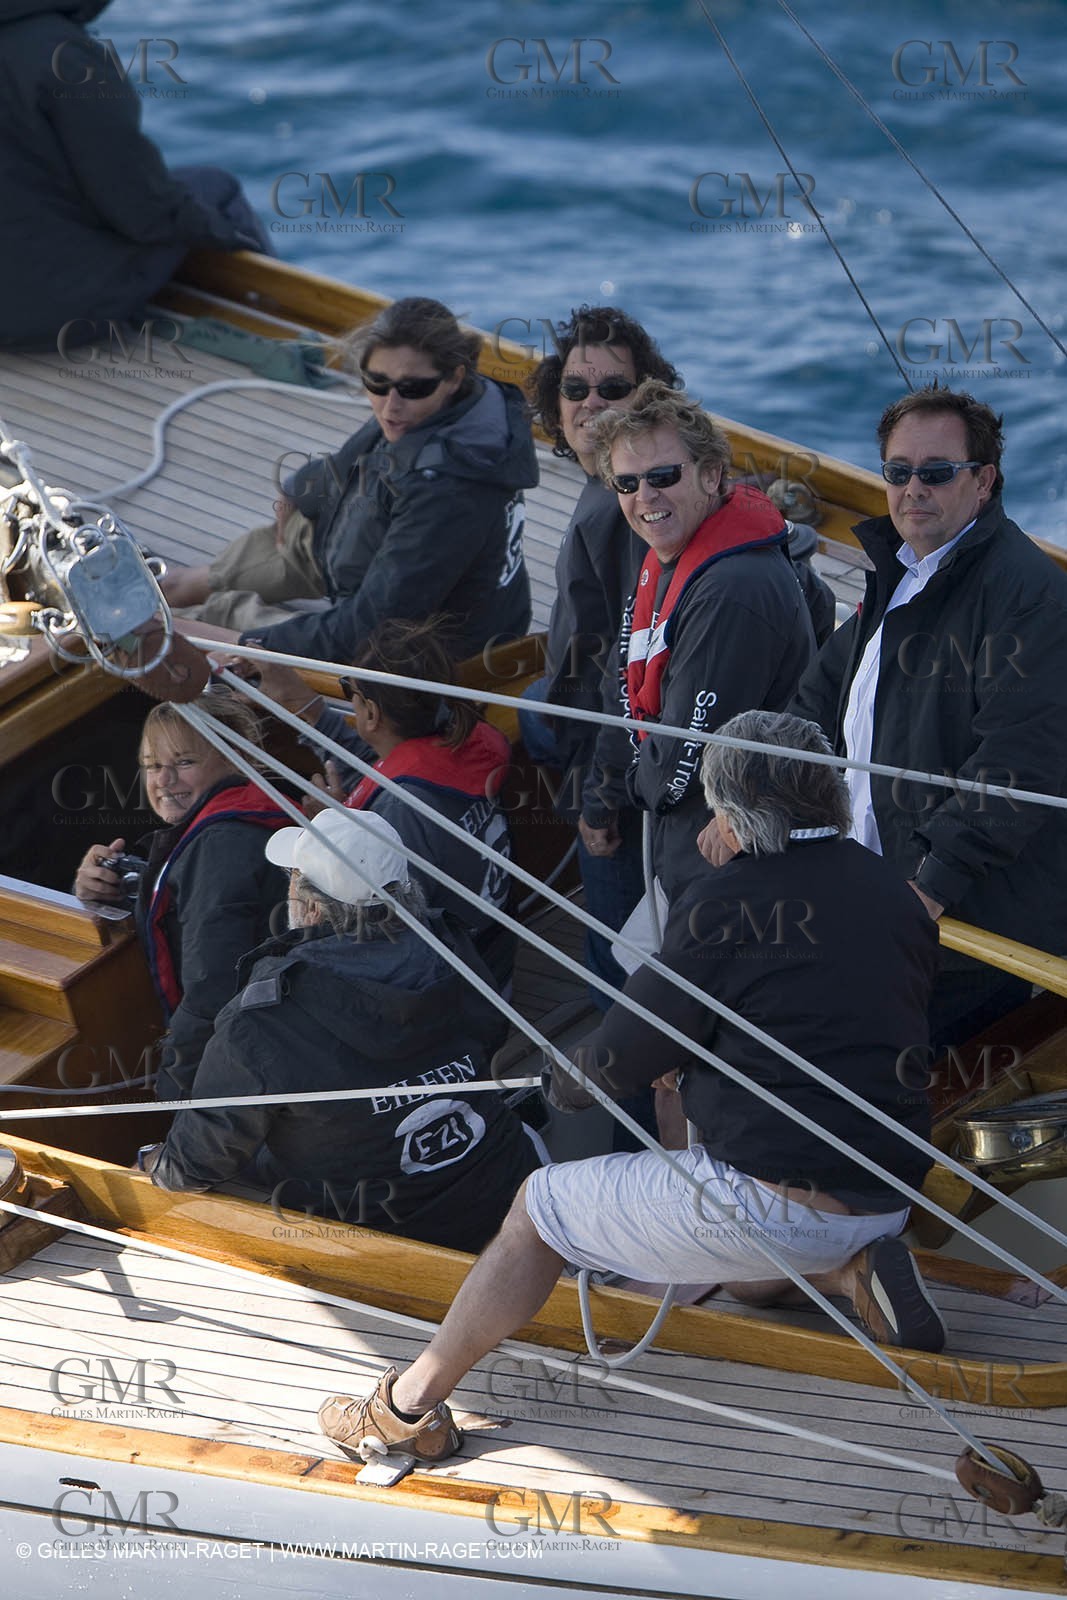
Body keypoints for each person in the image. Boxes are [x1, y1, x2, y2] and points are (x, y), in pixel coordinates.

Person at [315, 711, 943, 1464]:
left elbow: (615, 1062)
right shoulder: (893, 890)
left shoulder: (728, 902)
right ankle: (850, 1273)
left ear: (732, 814)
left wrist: (560, 1081)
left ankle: (406, 1407)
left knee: (538, 1210)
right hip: (886, 1198)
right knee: (740, 1279)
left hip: (780, 1205)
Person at [792, 385, 1067, 1048]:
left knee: (905, 1100)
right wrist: (749, 791)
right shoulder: (900, 574)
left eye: (936, 472)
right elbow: (813, 702)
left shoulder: (1029, 597)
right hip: (865, 894)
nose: (913, 487)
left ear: (983, 481)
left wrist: (925, 891)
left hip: (959, 931)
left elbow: (1016, 765)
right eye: (897, 471)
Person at [137, 811, 542, 1253]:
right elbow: (490, 1032)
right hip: (505, 1185)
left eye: (292, 879)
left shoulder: (262, 1023)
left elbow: (199, 1159)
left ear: (309, 907)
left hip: (385, 1239)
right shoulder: (453, 947)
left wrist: (156, 1164)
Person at [162, 296, 537, 663]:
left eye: (412, 388)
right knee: (195, 580)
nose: (390, 406)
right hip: (370, 548)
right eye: (376, 383)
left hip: (429, 642)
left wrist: (244, 642)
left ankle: (211, 623)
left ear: (455, 377)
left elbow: (370, 626)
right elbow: (350, 462)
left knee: (212, 626)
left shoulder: (450, 489)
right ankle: (180, 588)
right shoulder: (437, 407)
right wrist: (298, 494)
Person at [583, 382, 815, 905]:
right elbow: (622, 678)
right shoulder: (668, 557)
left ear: (711, 474)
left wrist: (631, 790)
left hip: (730, 855)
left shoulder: (732, 591)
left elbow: (683, 760)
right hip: (679, 830)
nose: (645, 497)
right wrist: (607, 789)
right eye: (627, 482)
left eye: (664, 476)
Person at [519, 306, 680, 1009]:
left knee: (621, 969)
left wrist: (597, 800)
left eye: (613, 390)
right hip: (625, 743)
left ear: (647, 398)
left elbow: (621, 678)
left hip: (620, 766)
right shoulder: (618, 493)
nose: (592, 404)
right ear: (554, 407)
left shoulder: (618, 514)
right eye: (576, 390)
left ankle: (629, 1104)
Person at [0, 0, 269, 349]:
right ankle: (281, 340)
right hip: (53, 316)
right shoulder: (65, 57)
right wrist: (220, 232)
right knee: (216, 190)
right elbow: (142, 210)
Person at [73, 689, 289, 1099]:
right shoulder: (239, 824)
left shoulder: (221, 845)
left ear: (233, 758)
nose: (164, 781)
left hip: (257, 1068)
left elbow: (211, 989)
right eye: (152, 766)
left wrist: (175, 1097)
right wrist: (103, 891)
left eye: (184, 762)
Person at [301, 616, 515, 989]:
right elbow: (396, 778)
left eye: (347, 688)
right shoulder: (466, 748)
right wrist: (313, 714)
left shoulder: (403, 811)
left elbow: (377, 931)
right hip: (493, 958)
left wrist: (333, 835)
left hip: (452, 998)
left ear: (371, 713)